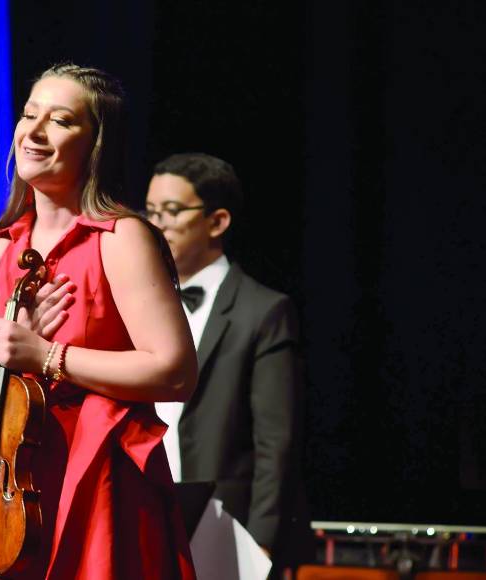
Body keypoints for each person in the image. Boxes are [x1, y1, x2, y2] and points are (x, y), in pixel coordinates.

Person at [0, 64, 198, 579]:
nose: (33, 132)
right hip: (6, 488)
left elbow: (175, 372)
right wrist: (15, 332)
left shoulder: (120, 237)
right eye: (27, 115)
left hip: (95, 478)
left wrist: (46, 356)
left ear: (96, 144)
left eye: (60, 120)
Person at [145, 153, 311, 576]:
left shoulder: (264, 311)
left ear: (217, 222)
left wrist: (262, 545)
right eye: (150, 212)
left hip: (226, 527)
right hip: (147, 515)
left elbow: (277, 442)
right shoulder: (139, 305)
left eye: (172, 211)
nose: (157, 224)